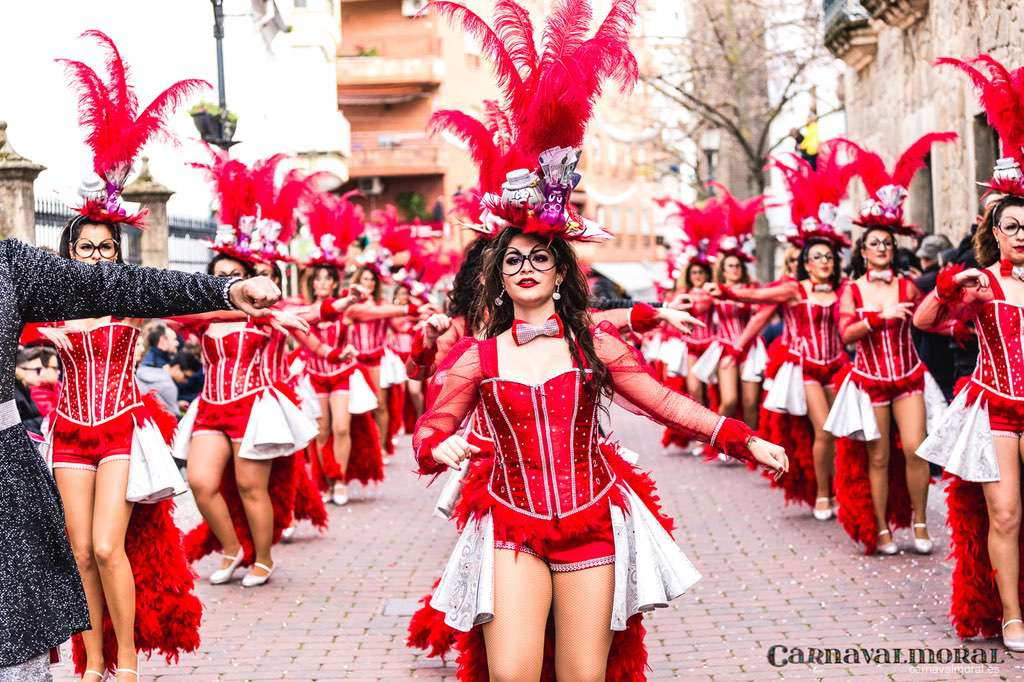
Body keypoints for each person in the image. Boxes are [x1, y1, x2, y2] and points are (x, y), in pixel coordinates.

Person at [410, 3, 788, 677]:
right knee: (514, 674)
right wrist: (441, 445)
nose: (525, 268)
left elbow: (666, 405)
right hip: (510, 524)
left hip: (591, 520)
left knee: (586, 676)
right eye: (513, 260)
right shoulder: (479, 355)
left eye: (539, 259)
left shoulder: (593, 347)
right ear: (497, 279)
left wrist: (742, 436)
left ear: (561, 274)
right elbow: (431, 429)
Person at [0, 29, 281, 678]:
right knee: (77, 549)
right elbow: (20, 339)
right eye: (87, 249)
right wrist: (50, 338)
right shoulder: (51, 305)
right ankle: (91, 661)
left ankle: (125, 661)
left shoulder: (120, 301)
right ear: (70, 253)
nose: (96, 257)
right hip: (69, 430)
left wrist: (233, 293)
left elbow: (175, 301)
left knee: (106, 545)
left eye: (105, 249)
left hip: (119, 427)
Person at [915, 52, 1024, 652]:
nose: (1022, 233)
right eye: (1012, 225)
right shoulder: (982, 281)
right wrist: (948, 285)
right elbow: (926, 321)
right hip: (998, 408)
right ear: (996, 230)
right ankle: (1010, 614)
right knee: (1004, 515)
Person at [824, 132, 956, 555]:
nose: (881, 247)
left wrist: (954, 326)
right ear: (863, 252)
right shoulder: (853, 290)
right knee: (878, 457)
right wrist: (878, 318)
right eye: (873, 242)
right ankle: (881, 529)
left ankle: (919, 523)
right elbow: (845, 335)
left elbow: (929, 319)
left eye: (886, 242)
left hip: (909, 376)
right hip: (870, 380)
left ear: (893, 249)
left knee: (916, 449)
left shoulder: (907, 284)